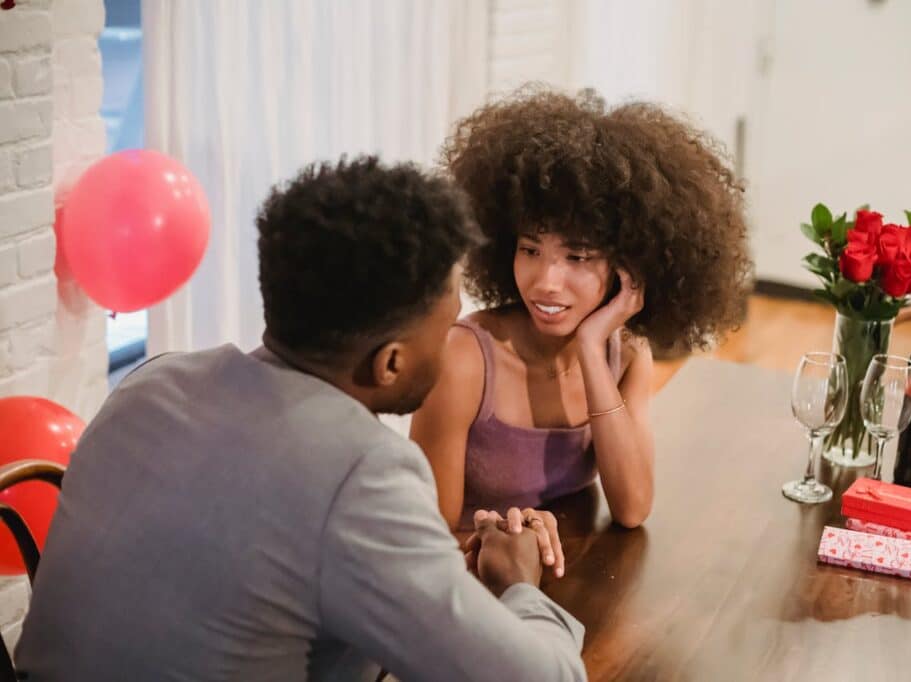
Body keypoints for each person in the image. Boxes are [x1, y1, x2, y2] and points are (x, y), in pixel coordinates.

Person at [15, 157, 586, 681]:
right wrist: (519, 584)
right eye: (447, 329)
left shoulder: (152, 382)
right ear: (390, 363)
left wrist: (423, 575)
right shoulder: (363, 472)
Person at [411, 88, 751, 540]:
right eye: (530, 249)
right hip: (473, 585)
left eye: (578, 257)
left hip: (561, 576)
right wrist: (507, 544)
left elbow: (632, 506)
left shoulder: (624, 354)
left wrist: (593, 350)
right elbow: (427, 545)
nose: (546, 280)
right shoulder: (463, 360)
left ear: (627, 267)